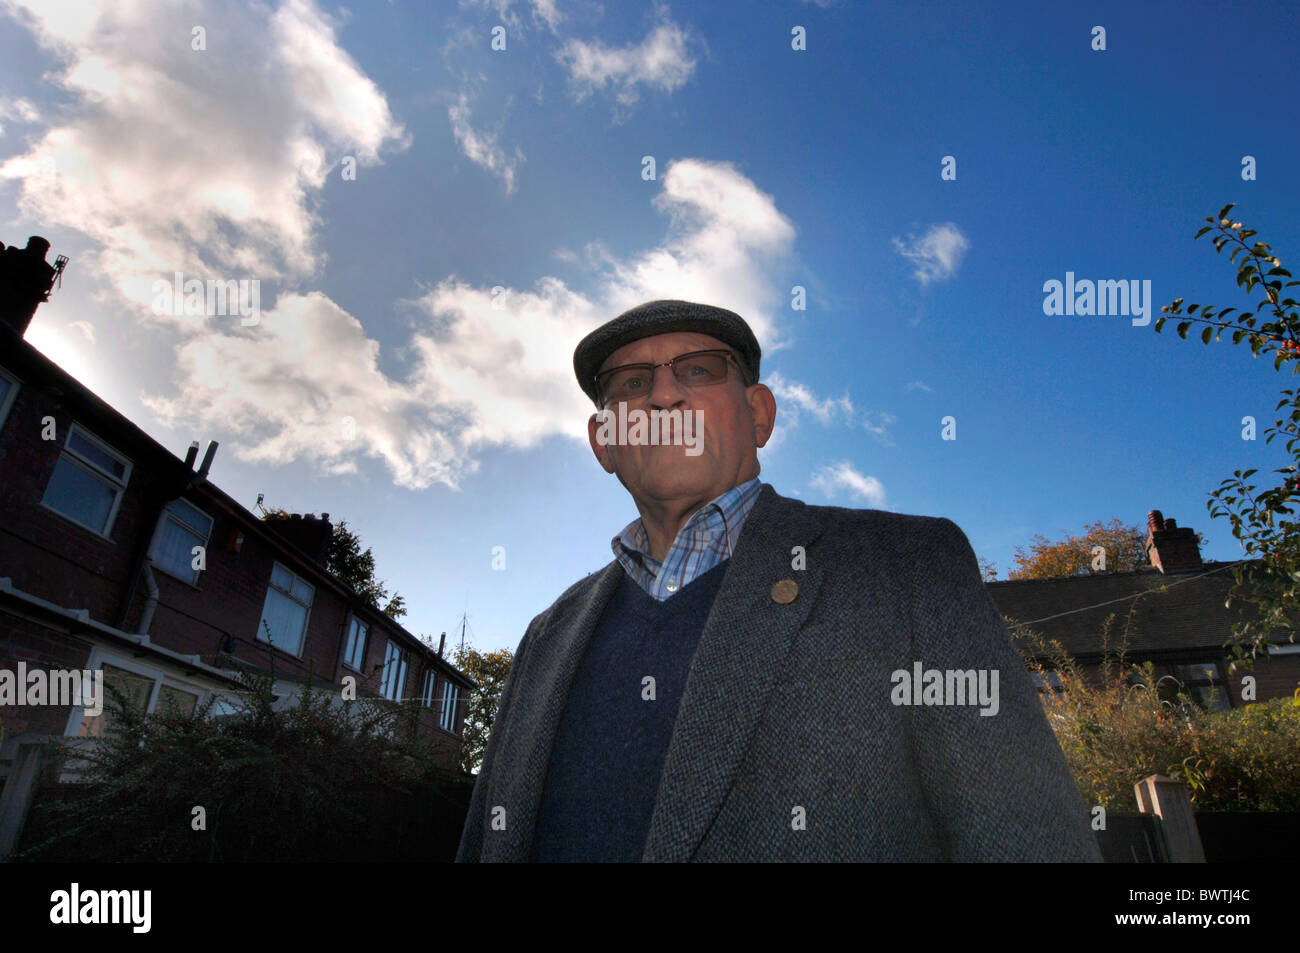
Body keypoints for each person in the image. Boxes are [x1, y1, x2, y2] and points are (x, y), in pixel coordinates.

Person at [457, 299, 1102, 862]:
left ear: (759, 415)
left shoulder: (906, 564)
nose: (660, 397)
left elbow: (1025, 833)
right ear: (604, 442)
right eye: (629, 383)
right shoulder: (547, 634)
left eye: (699, 371)